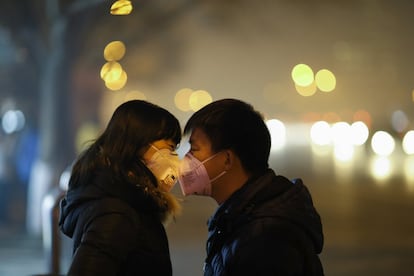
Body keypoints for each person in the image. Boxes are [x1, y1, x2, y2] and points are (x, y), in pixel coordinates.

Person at [178, 98, 324, 275]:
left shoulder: (266, 240)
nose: (186, 158)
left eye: (194, 149)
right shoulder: (240, 218)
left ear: (227, 160)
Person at [59, 100, 182, 276]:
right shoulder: (116, 214)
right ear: (138, 144)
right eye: (169, 148)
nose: (174, 158)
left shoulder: (126, 200)